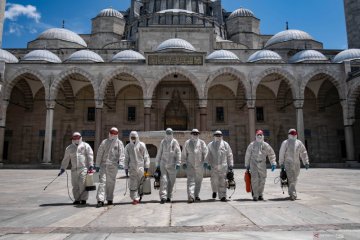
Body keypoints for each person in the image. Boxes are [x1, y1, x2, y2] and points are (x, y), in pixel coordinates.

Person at [58, 132, 94, 205]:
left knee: (82, 184)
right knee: (75, 185)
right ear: (72, 138)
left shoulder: (85, 145)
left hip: (83, 168)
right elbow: (66, 159)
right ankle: (77, 199)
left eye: (78, 137)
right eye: (75, 138)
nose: (76, 139)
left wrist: (91, 165)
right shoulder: (69, 148)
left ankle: (83, 199)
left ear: (80, 137)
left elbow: (90, 155)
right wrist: (63, 168)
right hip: (74, 169)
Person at [95, 127, 125, 207]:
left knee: (111, 183)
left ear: (117, 134)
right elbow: (99, 154)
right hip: (104, 165)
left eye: (114, 133)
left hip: (113, 166)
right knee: (102, 182)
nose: (113, 134)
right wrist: (97, 165)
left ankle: (109, 199)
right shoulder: (104, 142)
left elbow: (122, 154)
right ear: (109, 133)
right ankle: (100, 200)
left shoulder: (119, 143)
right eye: (111, 133)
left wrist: (121, 163)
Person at [245, 130, 277, 201]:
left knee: (262, 180)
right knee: (254, 180)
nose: (259, 136)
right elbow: (248, 155)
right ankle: (255, 195)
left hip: (262, 163)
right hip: (254, 164)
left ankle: (260, 194)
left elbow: (271, 154)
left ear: (263, 136)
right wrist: (247, 164)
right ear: (256, 136)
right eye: (258, 135)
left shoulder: (266, 145)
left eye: (261, 135)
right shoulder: (252, 145)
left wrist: (273, 163)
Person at [279, 128, 309, 200]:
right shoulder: (285, 142)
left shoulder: (299, 142)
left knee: (295, 178)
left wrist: (306, 162)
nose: (293, 134)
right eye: (292, 133)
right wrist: (281, 163)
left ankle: (291, 190)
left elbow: (303, 152)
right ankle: (293, 193)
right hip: (288, 162)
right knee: (291, 178)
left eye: (294, 133)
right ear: (289, 134)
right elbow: (281, 153)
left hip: (297, 163)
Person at [204, 130, 234, 202]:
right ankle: (214, 191)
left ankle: (223, 196)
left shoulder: (225, 144)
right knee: (214, 181)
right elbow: (207, 155)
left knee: (223, 181)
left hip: (223, 166)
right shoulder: (210, 145)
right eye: (216, 135)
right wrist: (206, 163)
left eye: (219, 135)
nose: (218, 136)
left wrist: (230, 165)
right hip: (214, 166)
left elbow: (229, 155)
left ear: (221, 136)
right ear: (214, 136)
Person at [155, 128, 181, 204]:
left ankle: (169, 196)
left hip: (172, 165)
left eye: (170, 133)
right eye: (167, 133)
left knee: (171, 182)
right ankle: (163, 197)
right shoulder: (163, 142)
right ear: (165, 133)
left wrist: (178, 163)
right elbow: (159, 153)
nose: (169, 134)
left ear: (172, 133)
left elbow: (178, 152)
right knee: (164, 180)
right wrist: (157, 164)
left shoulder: (175, 142)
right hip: (163, 164)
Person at [182, 129, 208, 203]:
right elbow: (184, 153)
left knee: (199, 181)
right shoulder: (187, 142)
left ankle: (196, 195)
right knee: (190, 180)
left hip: (200, 165)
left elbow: (205, 152)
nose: (195, 135)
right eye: (194, 133)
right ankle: (191, 196)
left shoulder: (202, 143)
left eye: (196, 133)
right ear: (191, 134)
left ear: (198, 134)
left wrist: (206, 161)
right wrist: (183, 162)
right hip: (190, 165)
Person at [124, 131, 150, 205]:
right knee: (133, 183)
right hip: (132, 168)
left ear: (137, 137)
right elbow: (126, 158)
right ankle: (135, 198)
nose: (133, 139)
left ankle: (140, 195)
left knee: (140, 183)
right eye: (132, 137)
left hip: (141, 167)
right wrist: (126, 167)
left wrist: (146, 167)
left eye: (134, 137)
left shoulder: (142, 145)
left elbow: (146, 156)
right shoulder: (128, 146)